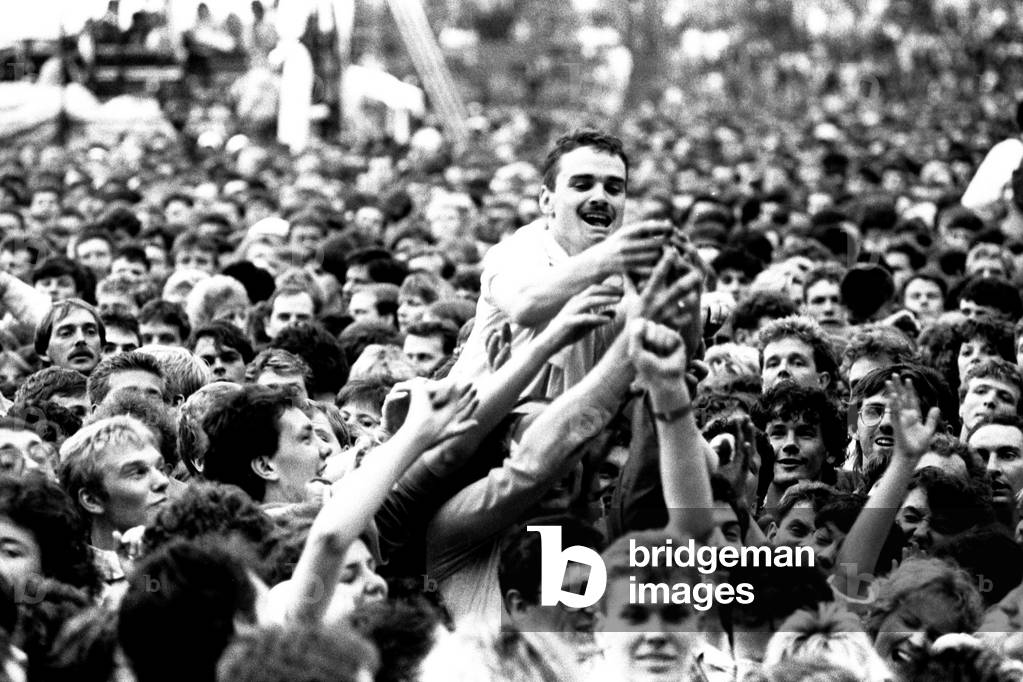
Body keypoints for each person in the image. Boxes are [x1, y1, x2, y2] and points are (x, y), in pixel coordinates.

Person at [450, 128, 670, 399]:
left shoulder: (622, 276)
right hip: (471, 421)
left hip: (559, 423)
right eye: (582, 185)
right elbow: (525, 304)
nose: (600, 197)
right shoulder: (520, 250)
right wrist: (606, 259)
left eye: (613, 189)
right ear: (546, 200)